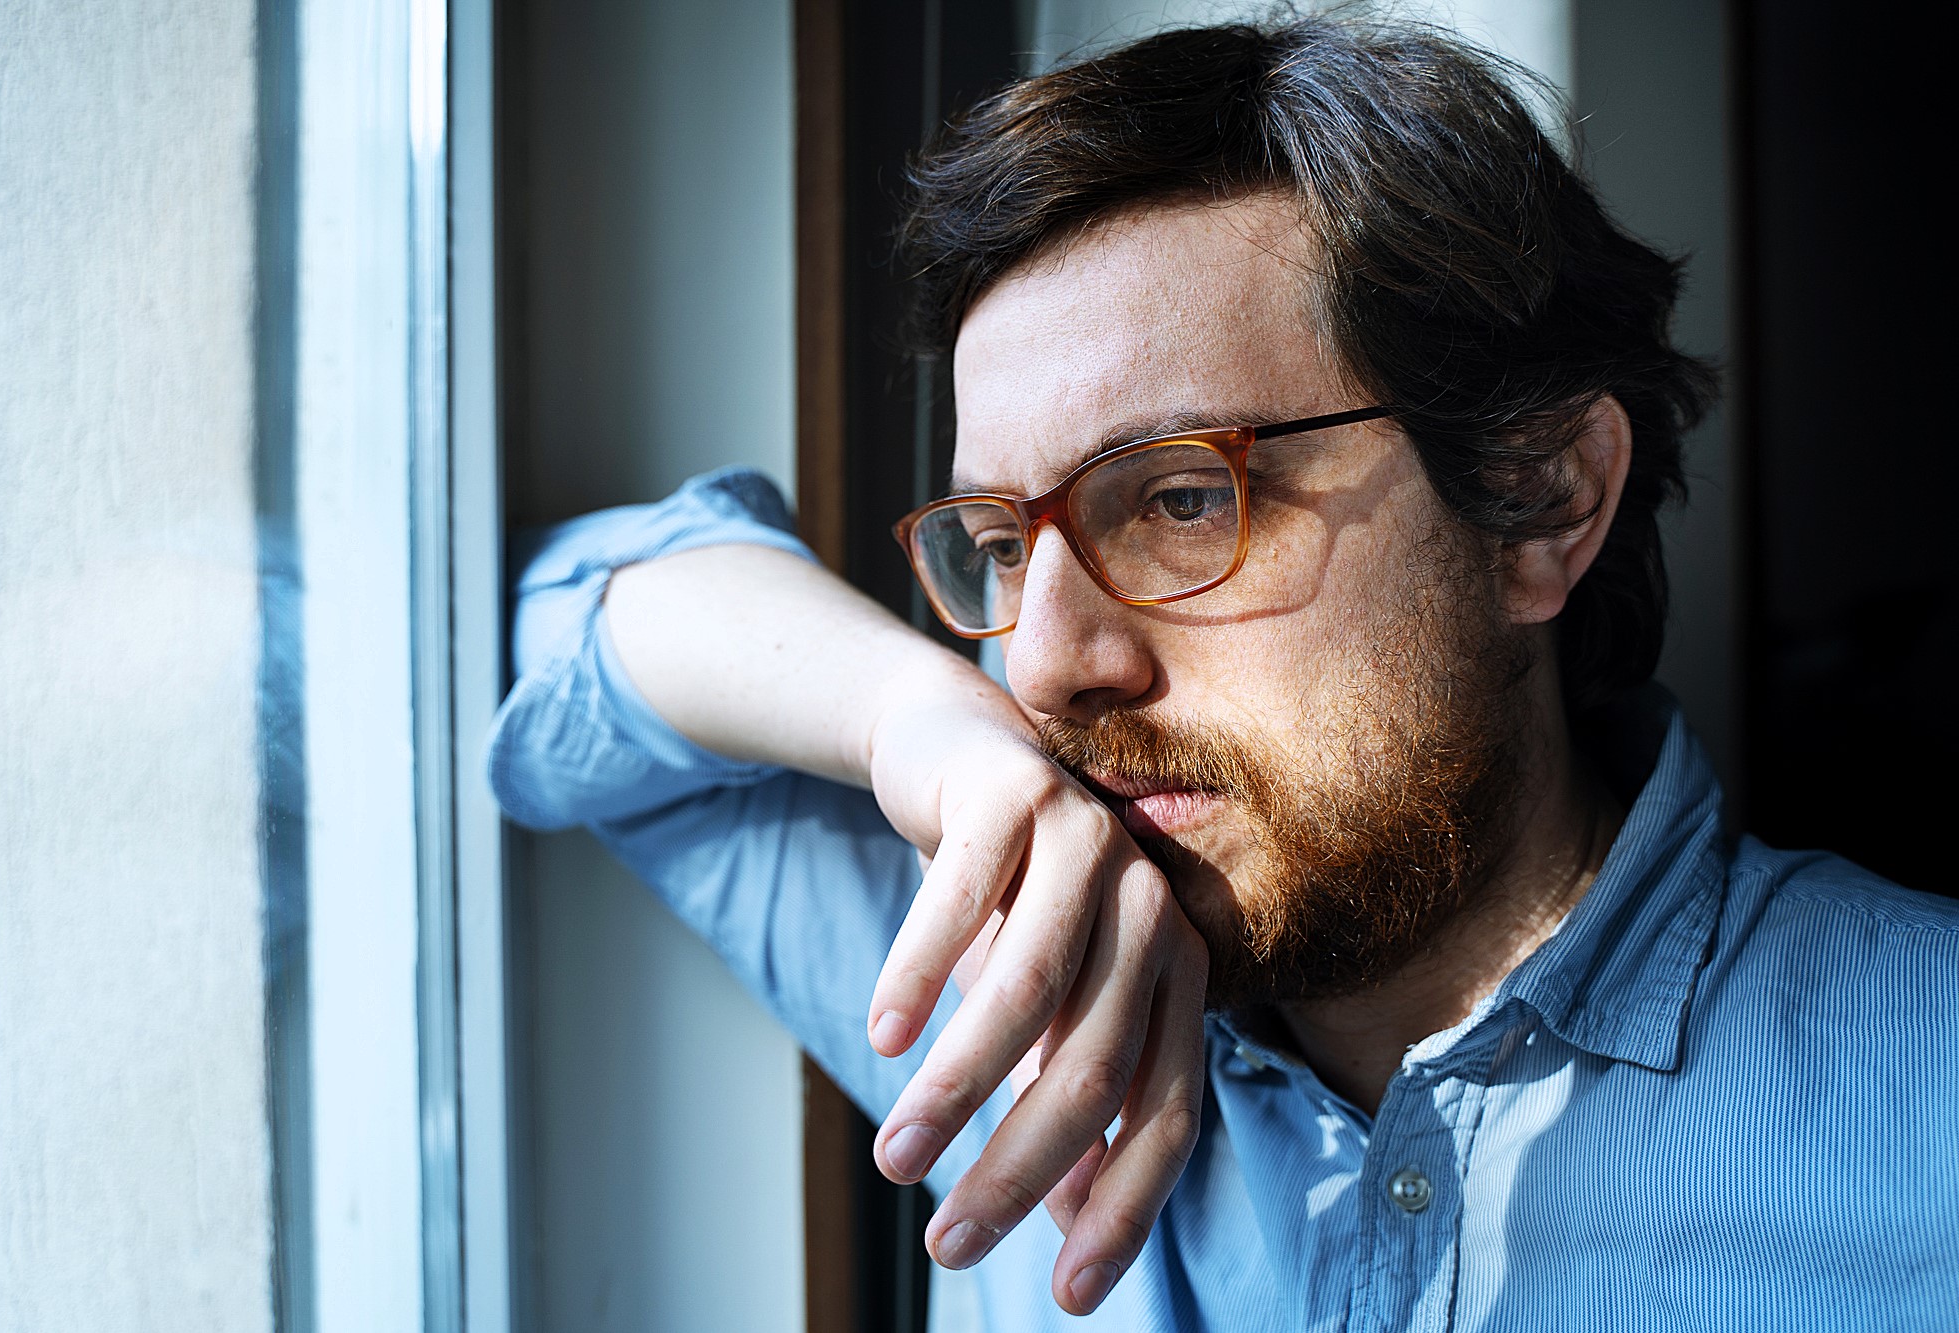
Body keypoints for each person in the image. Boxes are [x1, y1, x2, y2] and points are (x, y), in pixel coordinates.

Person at [487, 16, 1959, 1330]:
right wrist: (908, 712)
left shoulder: (1927, 1093)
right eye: (1003, 547)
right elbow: (557, 625)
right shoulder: (1006, 975)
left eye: (1183, 497)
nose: (1048, 664)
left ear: (1543, 498)